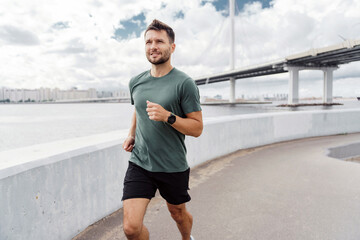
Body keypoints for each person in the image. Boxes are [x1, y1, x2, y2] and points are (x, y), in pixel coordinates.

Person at [122, 19, 203, 240]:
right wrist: (131, 134)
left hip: (172, 165)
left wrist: (168, 116)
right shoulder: (136, 82)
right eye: (148, 41)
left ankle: (188, 239)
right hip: (140, 162)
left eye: (159, 41)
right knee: (131, 228)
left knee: (177, 213)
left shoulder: (184, 83)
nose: (153, 46)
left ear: (172, 47)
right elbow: (138, 110)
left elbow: (197, 128)